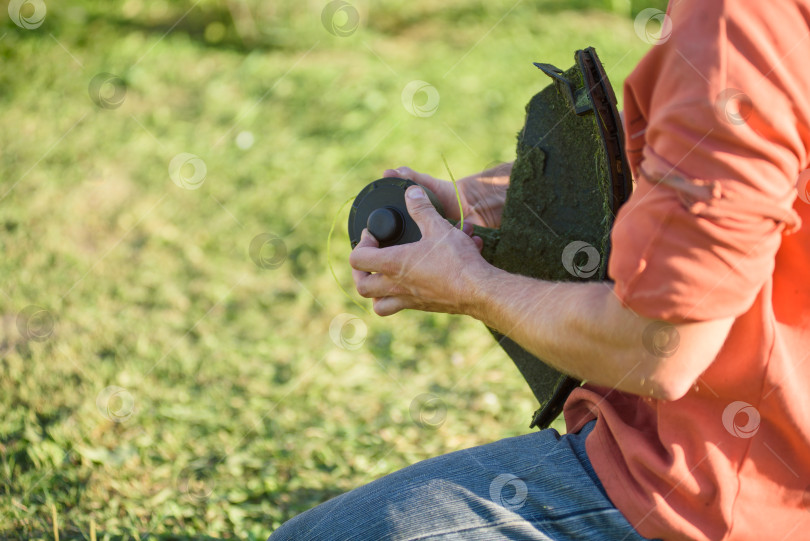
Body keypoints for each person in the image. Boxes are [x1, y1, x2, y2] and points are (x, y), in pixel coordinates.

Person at [270, 0, 810, 539]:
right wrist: (494, 197)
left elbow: (656, 346)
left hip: (714, 497)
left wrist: (469, 285)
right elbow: (727, 158)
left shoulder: (732, 24)